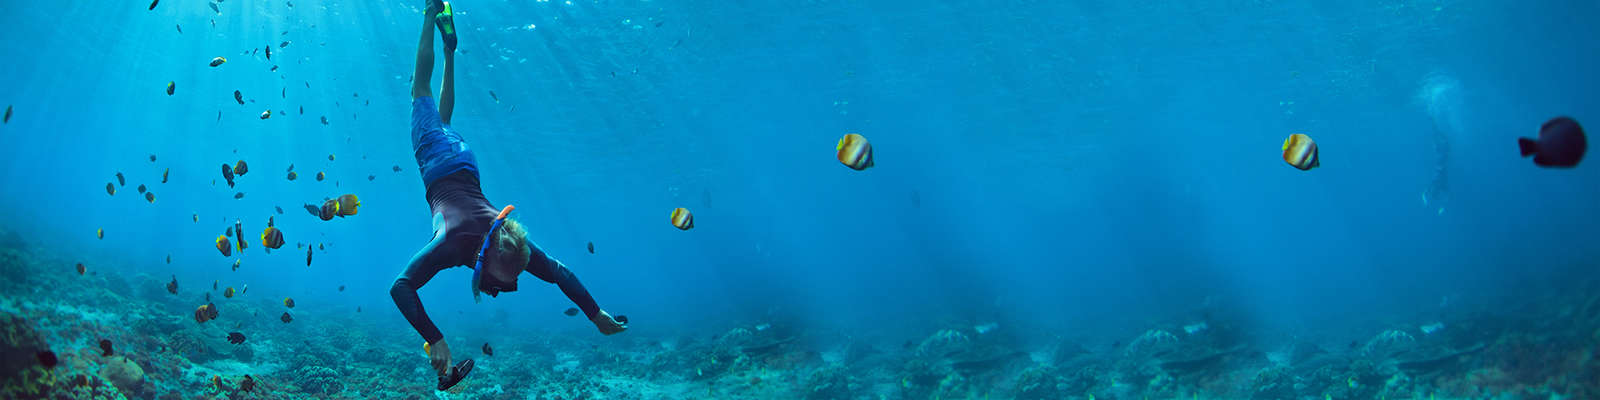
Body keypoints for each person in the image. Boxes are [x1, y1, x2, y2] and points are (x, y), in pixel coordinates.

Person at [391, 0, 628, 389]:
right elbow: (400, 286)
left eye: (507, 284)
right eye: (499, 282)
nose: (501, 290)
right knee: (420, 91)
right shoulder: (453, 243)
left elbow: (559, 274)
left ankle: (451, 53)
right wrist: (434, 338)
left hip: (466, 161)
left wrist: (595, 313)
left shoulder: (512, 248)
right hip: (439, 160)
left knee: (445, 120)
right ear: (486, 256)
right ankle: (431, 15)